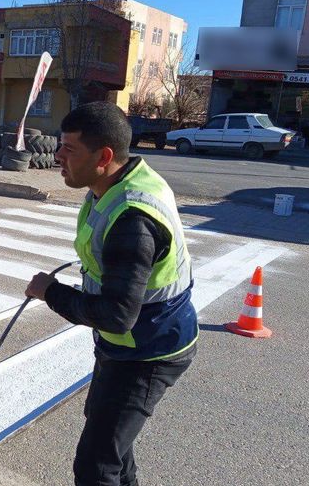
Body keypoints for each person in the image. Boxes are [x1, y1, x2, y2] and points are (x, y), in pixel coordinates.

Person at [25, 101, 197, 486]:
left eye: (69, 149)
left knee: (96, 465)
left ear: (104, 156)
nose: (58, 157)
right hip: (125, 344)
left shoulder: (133, 219)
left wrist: (51, 292)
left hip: (149, 350)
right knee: (112, 444)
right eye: (59, 145)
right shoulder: (115, 183)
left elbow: (118, 314)